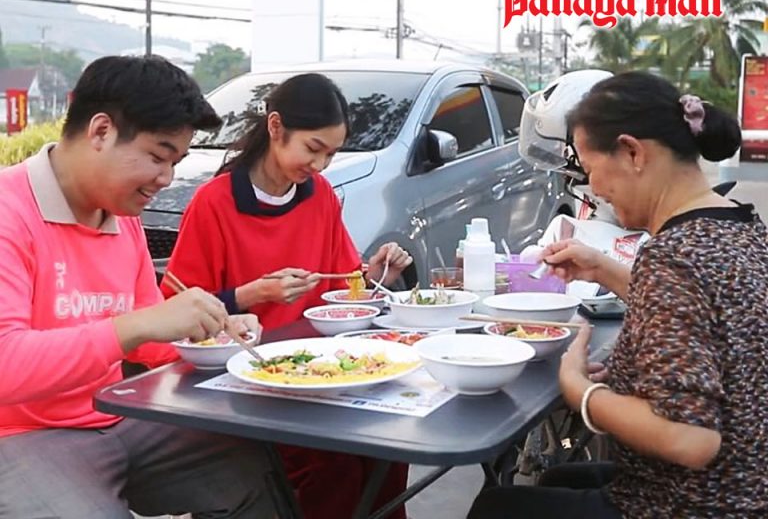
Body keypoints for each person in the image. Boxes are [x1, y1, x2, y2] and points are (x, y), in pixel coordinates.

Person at [468, 71, 768, 519]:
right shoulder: (743, 226)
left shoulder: (672, 256)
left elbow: (691, 439)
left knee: (496, 507)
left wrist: (581, 391)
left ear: (632, 152)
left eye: (591, 170)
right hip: (747, 485)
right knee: (558, 478)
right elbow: (705, 307)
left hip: (696, 503)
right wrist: (601, 269)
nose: (594, 189)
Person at [0, 55, 276, 518]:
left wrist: (212, 333)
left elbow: (149, 339)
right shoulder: (10, 213)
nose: (166, 179)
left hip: (116, 414)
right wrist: (137, 326)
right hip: (20, 435)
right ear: (101, 131)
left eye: (175, 162)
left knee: (250, 467)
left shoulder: (120, 216)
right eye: (157, 156)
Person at [163, 72, 413, 519]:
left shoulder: (319, 195)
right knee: (332, 464)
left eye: (331, 154)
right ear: (275, 127)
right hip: (250, 380)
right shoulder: (214, 202)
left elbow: (341, 285)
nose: (320, 165)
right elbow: (177, 306)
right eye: (313, 149)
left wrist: (375, 275)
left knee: (389, 448)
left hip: (319, 372)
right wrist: (253, 293)